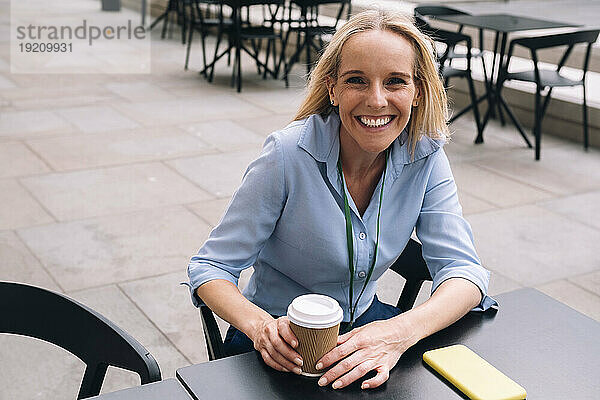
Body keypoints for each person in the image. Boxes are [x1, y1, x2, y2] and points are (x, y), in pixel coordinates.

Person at [187, 9, 496, 390]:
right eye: (357, 81)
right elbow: (210, 268)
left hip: (369, 329)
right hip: (279, 344)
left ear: (417, 91)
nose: (377, 100)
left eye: (396, 81)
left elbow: (465, 273)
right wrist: (261, 327)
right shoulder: (286, 155)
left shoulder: (427, 156)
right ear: (332, 89)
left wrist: (399, 332)